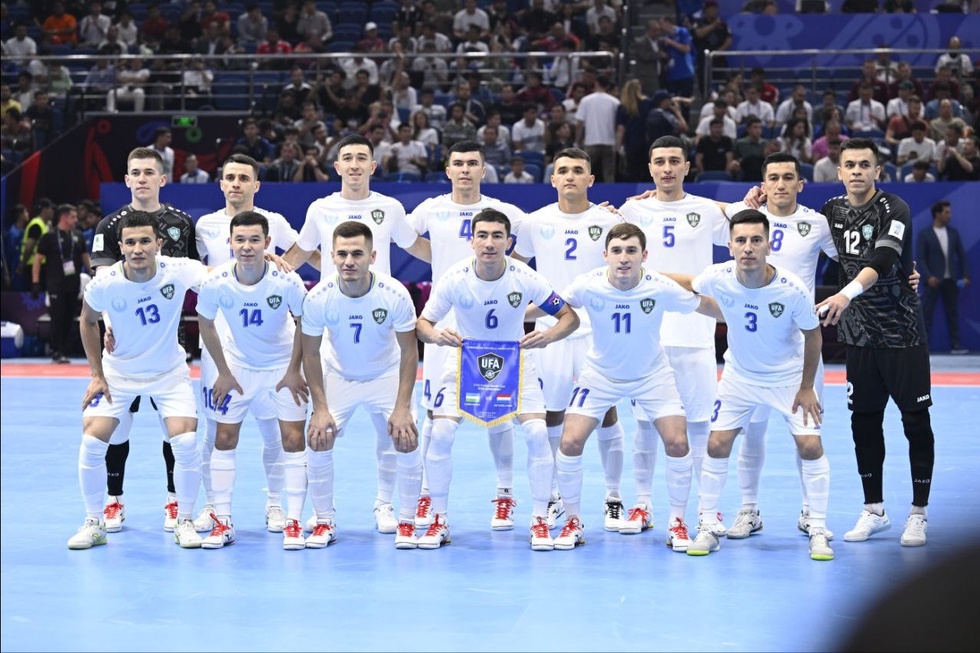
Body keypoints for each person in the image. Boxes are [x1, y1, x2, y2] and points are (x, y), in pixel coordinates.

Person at [288, 134, 429, 533]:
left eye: (361, 158)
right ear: (337, 166)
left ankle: (386, 506)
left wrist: (465, 260)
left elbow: (416, 247)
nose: (353, 164)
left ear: (372, 165)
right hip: (337, 330)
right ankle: (323, 515)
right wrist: (269, 271)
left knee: (396, 435)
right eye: (346, 158)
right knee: (319, 433)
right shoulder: (321, 208)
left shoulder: (390, 207)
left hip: (381, 325)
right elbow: (300, 252)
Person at [415, 208, 580, 549]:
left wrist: (548, 336)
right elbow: (422, 324)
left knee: (537, 433)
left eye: (497, 236)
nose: (489, 243)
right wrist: (436, 336)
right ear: (471, 240)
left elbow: (569, 317)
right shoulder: (454, 278)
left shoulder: (526, 277)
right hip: (464, 363)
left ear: (509, 242)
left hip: (515, 364)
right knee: (441, 432)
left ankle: (539, 520)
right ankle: (439, 520)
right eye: (482, 236)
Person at [551, 223, 719, 551]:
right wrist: (512, 315)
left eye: (631, 251)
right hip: (600, 375)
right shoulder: (588, 284)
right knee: (569, 442)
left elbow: (704, 305)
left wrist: (746, 312)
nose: (624, 258)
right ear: (605, 255)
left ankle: (677, 522)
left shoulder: (660, 286)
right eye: (617, 251)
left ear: (645, 255)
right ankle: (573, 521)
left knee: (677, 442)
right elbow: (553, 304)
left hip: (652, 375)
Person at [681, 209, 831, 561]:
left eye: (755, 240)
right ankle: (708, 525)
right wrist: (644, 275)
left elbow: (813, 336)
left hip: (787, 379)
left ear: (768, 246)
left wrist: (806, 387)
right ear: (730, 246)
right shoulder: (717, 276)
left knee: (810, 446)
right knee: (717, 443)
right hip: (740, 377)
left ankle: (818, 527)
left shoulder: (791, 288)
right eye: (741, 240)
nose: (748, 247)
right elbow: (686, 283)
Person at [816, 138, 935, 547]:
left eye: (864, 165)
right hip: (859, 336)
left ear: (877, 171)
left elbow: (884, 259)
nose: (857, 171)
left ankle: (918, 513)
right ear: (839, 172)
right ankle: (874, 510)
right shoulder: (831, 211)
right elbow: (791, 226)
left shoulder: (893, 208)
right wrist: (754, 199)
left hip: (902, 333)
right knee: (864, 422)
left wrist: (845, 294)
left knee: (915, 421)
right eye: (850, 165)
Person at [193, 153, 319, 533]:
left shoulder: (274, 222)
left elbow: (307, 253)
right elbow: (191, 269)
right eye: (230, 177)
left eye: (243, 178)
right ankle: (214, 506)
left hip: (270, 336)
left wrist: (281, 266)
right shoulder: (205, 225)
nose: (236, 184)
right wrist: (225, 275)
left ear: (256, 184)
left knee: (273, 429)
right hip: (223, 343)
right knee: (215, 430)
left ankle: (275, 504)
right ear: (221, 183)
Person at [407, 141, 528, 532]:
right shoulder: (431, 209)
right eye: (457, 163)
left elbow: (539, 235)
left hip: (492, 330)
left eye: (472, 163)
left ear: (483, 170)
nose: (464, 169)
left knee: (500, 414)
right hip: (445, 326)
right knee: (435, 415)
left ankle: (505, 495)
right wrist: (440, 257)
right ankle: (428, 493)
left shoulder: (504, 212)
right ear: (447, 170)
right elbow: (402, 237)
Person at [68, 212, 207, 550]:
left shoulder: (179, 270)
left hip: (169, 374)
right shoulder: (105, 283)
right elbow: (87, 320)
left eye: (145, 241)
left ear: (159, 243)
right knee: (92, 441)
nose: (138, 248)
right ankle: (94, 522)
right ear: (120, 247)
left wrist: (265, 260)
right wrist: (97, 375)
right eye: (130, 242)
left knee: (186, 442)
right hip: (119, 374)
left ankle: (185, 520)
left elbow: (222, 277)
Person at [619, 136, 730, 537]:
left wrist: (729, 204)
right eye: (659, 161)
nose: (666, 168)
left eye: (674, 161)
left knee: (699, 425)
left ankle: (706, 510)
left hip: (696, 334)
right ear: (650, 167)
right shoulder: (632, 210)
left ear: (687, 166)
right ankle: (643, 504)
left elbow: (749, 227)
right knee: (645, 426)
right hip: (646, 337)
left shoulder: (706, 210)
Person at [514, 148, 628, 532]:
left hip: (599, 331)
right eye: (563, 170)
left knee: (606, 412)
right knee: (552, 413)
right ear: (552, 179)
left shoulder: (609, 221)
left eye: (578, 170)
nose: (570, 176)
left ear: (590, 179)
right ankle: (552, 496)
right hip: (551, 332)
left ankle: (613, 497)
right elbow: (516, 270)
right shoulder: (535, 222)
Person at [90, 147, 197, 533]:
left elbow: (193, 273)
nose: (141, 179)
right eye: (135, 172)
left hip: (169, 343)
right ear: (126, 179)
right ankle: (113, 499)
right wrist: (109, 325)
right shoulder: (109, 225)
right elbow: (102, 285)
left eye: (149, 172)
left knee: (174, 427)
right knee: (118, 425)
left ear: (162, 178)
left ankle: (174, 499)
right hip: (123, 344)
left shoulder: (181, 222)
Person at [302, 220, 423, 549]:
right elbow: (310, 354)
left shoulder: (394, 294)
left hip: (386, 374)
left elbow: (409, 352)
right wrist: (320, 409)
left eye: (357, 254)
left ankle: (403, 518)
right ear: (331, 256)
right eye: (342, 254)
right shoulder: (318, 297)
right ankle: (324, 519)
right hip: (339, 374)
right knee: (318, 438)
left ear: (373, 256)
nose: (349, 261)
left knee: (406, 437)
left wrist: (402, 407)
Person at [31, 204, 91, 363]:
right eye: (73, 217)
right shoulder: (49, 237)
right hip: (55, 284)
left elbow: (85, 256)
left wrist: (94, 272)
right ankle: (56, 351)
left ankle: (64, 349)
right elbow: (37, 260)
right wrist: (35, 282)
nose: (76, 220)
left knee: (69, 317)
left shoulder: (78, 236)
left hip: (73, 284)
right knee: (57, 317)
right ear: (64, 218)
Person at [916, 201, 969, 354]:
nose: (949, 215)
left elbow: (961, 256)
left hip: (950, 279)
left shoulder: (953, 233)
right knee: (926, 314)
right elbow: (921, 259)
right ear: (938, 214)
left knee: (952, 313)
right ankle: (923, 347)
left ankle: (956, 345)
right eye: (946, 212)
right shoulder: (925, 234)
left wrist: (965, 275)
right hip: (932, 281)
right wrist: (928, 277)